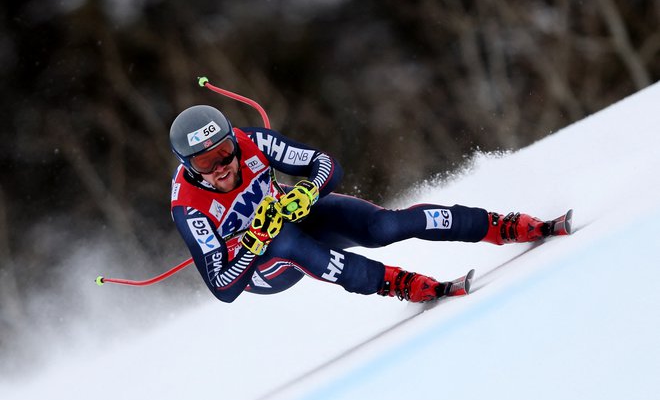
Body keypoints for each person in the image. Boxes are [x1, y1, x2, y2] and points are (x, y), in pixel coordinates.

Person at [169, 105, 568, 303]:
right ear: (189, 166)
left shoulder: (249, 141)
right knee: (288, 243)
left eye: (224, 152)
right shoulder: (189, 206)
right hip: (259, 269)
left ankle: (500, 225)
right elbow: (222, 287)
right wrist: (255, 238)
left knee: (383, 227)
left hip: (293, 218)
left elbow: (324, 164)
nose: (221, 167)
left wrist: (307, 191)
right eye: (206, 163)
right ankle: (397, 283)